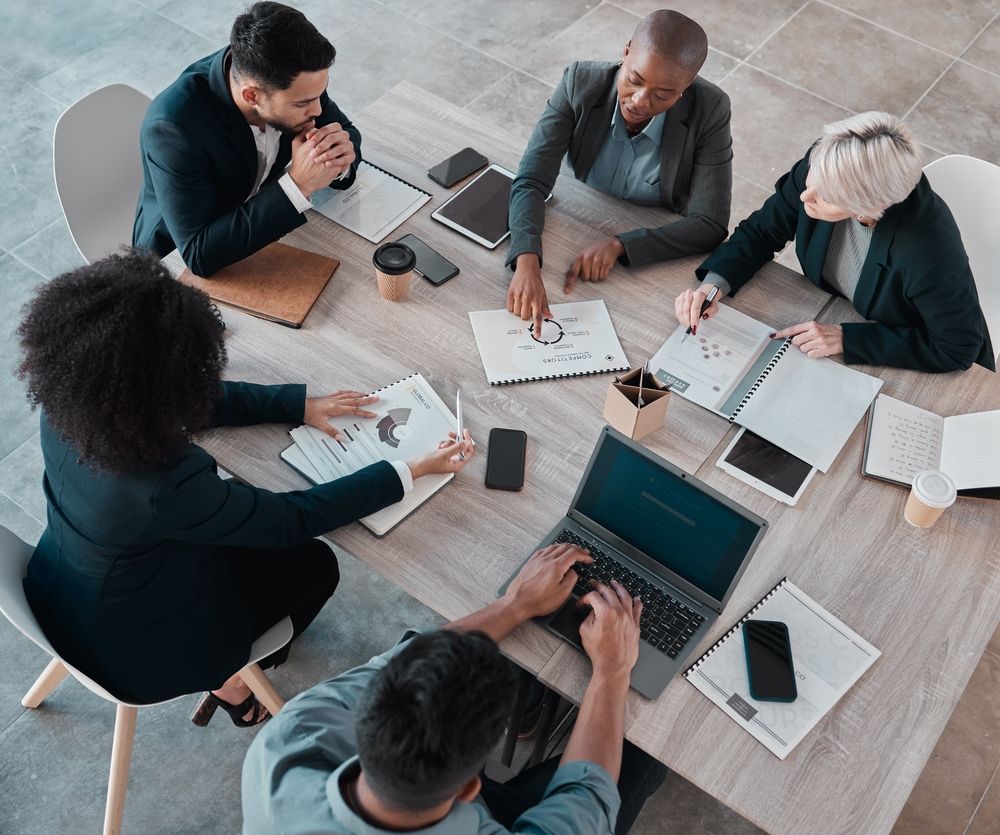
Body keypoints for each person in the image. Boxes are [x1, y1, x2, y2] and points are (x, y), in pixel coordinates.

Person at [17, 251, 473, 724]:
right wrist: (407, 469)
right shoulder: (166, 486)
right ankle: (232, 680)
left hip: (58, 589)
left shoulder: (71, 400)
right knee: (315, 564)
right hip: (137, 648)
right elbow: (289, 520)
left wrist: (296, 404)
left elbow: (178, 399)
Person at [242, 543, 668, 834]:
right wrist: (612, 669)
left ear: (365, 712)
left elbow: (411, 657)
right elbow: (586, 796)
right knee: (648, 749)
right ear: (470, 789)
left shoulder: (289, 737)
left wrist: (515, 603)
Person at [675, 111, 995, 373]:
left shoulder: (928, 255)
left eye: (824, 197)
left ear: (868, 208)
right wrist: (714, 286)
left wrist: (847, 339)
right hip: (843, 308)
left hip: (909, 343)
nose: (805, 196)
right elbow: (763, 231)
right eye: (812, 178)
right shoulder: (826, 165)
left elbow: (957, 349)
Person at [507, 9, 732, 332]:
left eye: (663, 94)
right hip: (581, 208)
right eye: (634, 80)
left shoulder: (711, 108)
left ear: (687, 85)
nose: (640, 101)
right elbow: (531, 180)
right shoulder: (579, 81)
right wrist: (526, 260)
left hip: (654, 231)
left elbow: (710, 223)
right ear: (625, 53)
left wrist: (622, 245)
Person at [133, 2, 360, 277]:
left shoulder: (290, 78)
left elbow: (345, 130)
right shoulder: (174, 128)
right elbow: (199, 254)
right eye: (305, 103)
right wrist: (298, 185)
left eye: (319, 94)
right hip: (170, 267)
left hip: (262, 226)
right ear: (252, 96)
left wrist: (337, 160)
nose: (318, 110)